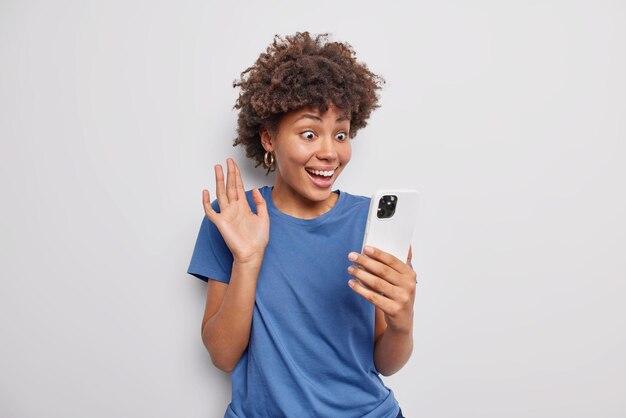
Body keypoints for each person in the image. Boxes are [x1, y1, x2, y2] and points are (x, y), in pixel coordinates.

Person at [188, 32, 417, 418]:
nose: (330, 152)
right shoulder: (233, 217)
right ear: (269, 139)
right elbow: (223, 356)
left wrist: (401, 323)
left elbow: (386, 363)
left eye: (340, 134)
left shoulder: (368, 220)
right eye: (309, 133)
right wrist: (247, 260)